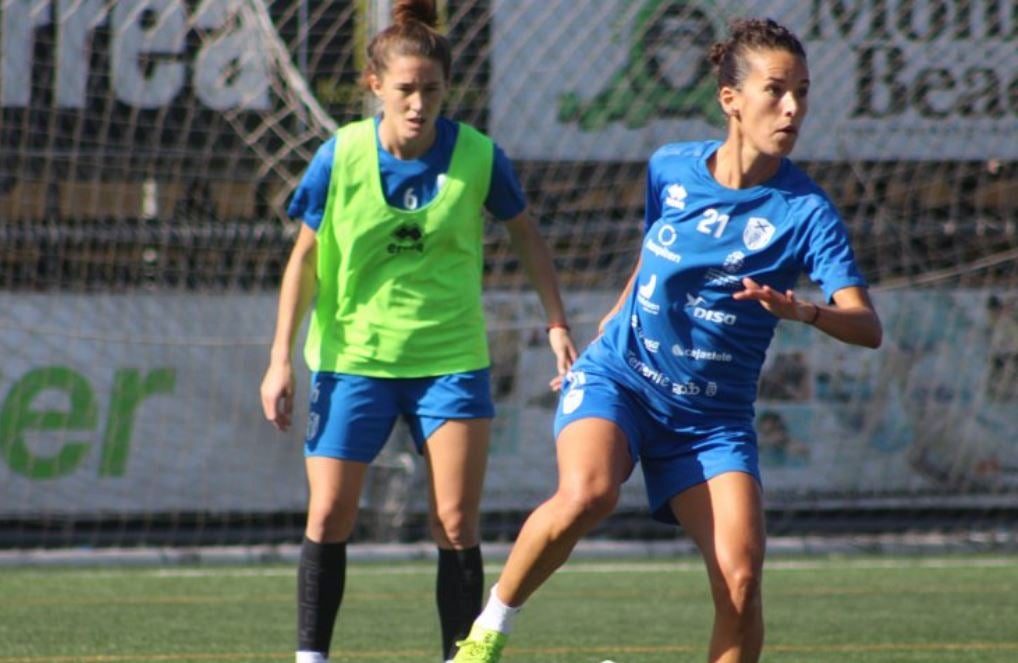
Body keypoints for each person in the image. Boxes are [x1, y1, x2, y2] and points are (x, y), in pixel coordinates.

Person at [454, 17, 882, 663]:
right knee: (588, 493)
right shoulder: (670, 166)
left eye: (803, 91)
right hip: (623, 379)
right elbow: (657, 244)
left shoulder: (806, 212)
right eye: (775, 89)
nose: (792, 106)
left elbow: (867, 325)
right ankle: (488, 630)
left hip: (711, 421)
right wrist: (621, 306)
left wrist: (803, 311)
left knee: (741, 581)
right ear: (730, 99)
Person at [258, 2, 577, 661]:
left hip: (450, 360)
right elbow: (303, 259)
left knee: (455, 522)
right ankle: (309, 657)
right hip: (354, 359)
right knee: (328, 517)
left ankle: (457, 655)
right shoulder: (339, 155)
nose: (418, 103)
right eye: (405, 89)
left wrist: (556, 322)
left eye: (431, 90)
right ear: (376, 86)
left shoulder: (480, 157)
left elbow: (528, 238)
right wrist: (279, 359)